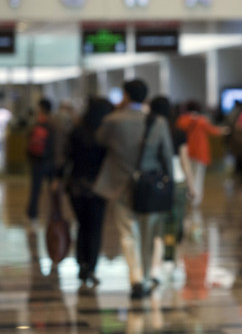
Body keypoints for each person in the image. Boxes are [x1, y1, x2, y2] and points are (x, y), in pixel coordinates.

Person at [93, 79, 174, 299]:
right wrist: (170, 185)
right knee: (149, 233)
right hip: (150, 185)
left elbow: (99, 140)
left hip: (120, 184)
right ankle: (147, 278)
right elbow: (167, 155)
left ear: (126, 96)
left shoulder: (112, 120)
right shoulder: (158, 122)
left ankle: (135, 278)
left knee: (128, 233)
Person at [60, 97, 114, 287]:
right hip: (98, 186)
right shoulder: (105, 134)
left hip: (76, 185)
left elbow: (66, 157)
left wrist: (58, 179)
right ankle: (90, 267)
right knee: (95, 228)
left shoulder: (77, 131)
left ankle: (81, 263)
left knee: (82, 225)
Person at [148, 96, 196, 279]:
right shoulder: (178, 132)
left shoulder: (150, 130)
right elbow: (184, 161)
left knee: (158, 221)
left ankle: (156, 262)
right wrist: (192, 186)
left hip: (157, 181)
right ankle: (173, 260)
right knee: (177, 220)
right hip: (178, 181)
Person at [175, 100, 224, 210]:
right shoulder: (202, 120)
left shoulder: (182, 120)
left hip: (185, 152)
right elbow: (213, 131)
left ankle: (187, 196)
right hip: (200, 152)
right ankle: (195, 200)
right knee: (198, 178)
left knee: (187, 176)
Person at [26, 98, 56, 221]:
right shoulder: (54, 122)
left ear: (42, 107)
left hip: (38, 161)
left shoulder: (37, 122)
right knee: (53, 191)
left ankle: (32, 214)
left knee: (35, 190)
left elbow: (29, 139)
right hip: (51, 161)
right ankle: (54, 214)